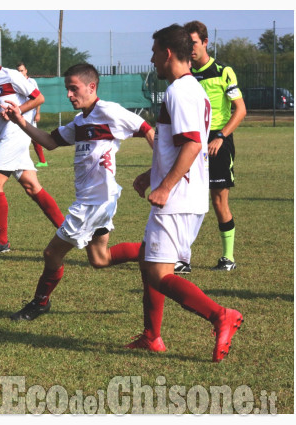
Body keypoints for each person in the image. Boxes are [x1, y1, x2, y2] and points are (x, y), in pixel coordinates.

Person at [2, 63, 154, 321]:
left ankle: (40, 303)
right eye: (67, 90)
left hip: (95, 202)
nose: (69, 95)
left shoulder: (109, 111)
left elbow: (147, 130)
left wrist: (157, 173)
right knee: (100, 258)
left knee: (52, 253)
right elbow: (50, 142)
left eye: (74, 89)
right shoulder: (80, 120)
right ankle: (156, 252)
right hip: (96, 199)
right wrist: (20, 121)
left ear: (91, 87)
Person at [126, 24, 242, 362]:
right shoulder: (190, 88)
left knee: (160, 275)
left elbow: (193, 143)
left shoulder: (180, 91)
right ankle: (151, 336)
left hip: (177, 199)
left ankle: (221, 315)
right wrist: (152, 174)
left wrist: (164, 186)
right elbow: (181, 146)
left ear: (166, 53)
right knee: (149, 263)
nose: (151, 61)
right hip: (182, 193)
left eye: (153, 54)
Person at [0, 36, 65, 256]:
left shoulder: (11, 76)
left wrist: (18, 112)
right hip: (6, 136)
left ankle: (2, 241)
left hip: (16, 134)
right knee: (32, 186)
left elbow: (38, 98)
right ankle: (68, 230)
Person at [177, 20, 247, 273]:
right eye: (186, 43)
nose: (190, 48)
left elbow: (240, 110)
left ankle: (228, 257)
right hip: (192, 142)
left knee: (218, 200)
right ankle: (183, 259)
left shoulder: (223, 71)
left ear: (205, 42)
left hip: (218, 141)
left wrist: (220, 137)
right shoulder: (183, 73)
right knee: (185, 199)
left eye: (193, 42)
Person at [16, 61, 48, 168]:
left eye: (22, 70)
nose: (20, 73)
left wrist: (37, 113)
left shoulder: (31, 82)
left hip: (30, 115)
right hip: (20, 114)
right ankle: (23, 161)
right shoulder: (15, 82)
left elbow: (38, 98)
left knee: (33, 137)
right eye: (18, 71)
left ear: (26, 71)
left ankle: (43, 161)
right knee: (20, 138)